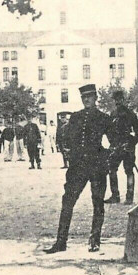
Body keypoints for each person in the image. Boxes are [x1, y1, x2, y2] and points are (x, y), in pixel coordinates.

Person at [44, 84, 111, 254]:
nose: (87, 100)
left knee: (98, 202)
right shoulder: (76, 117)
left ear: (95, 98)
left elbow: (113, 141)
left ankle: (95, 241)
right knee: (68, 201)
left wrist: (106, 156)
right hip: (77, 166)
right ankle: (61, 241)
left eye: (89, 97)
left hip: (97, 166)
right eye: (84, 97)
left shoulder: (104, 118)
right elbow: (66, 137)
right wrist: (69, 153)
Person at [104, 90, 138, 205]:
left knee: (129, 171)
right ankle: (115, 195)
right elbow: (108, 130)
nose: (117, 102)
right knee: (111, 169)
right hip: (116, 147)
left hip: (128, 147)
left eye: (120, 99)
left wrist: (131, 143)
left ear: (124, 100)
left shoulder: (131, 115)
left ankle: (129, 197)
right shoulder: (113, 114)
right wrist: (112, 143)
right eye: (116, 100)